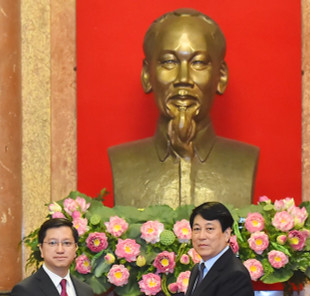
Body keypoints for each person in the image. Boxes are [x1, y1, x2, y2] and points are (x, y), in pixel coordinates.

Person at [108, 8, 258, 208]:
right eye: (169, 62)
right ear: (147, 75)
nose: (183, 79)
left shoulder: (244, 161)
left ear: (221, 76)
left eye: (198, 63)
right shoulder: (123, 162)